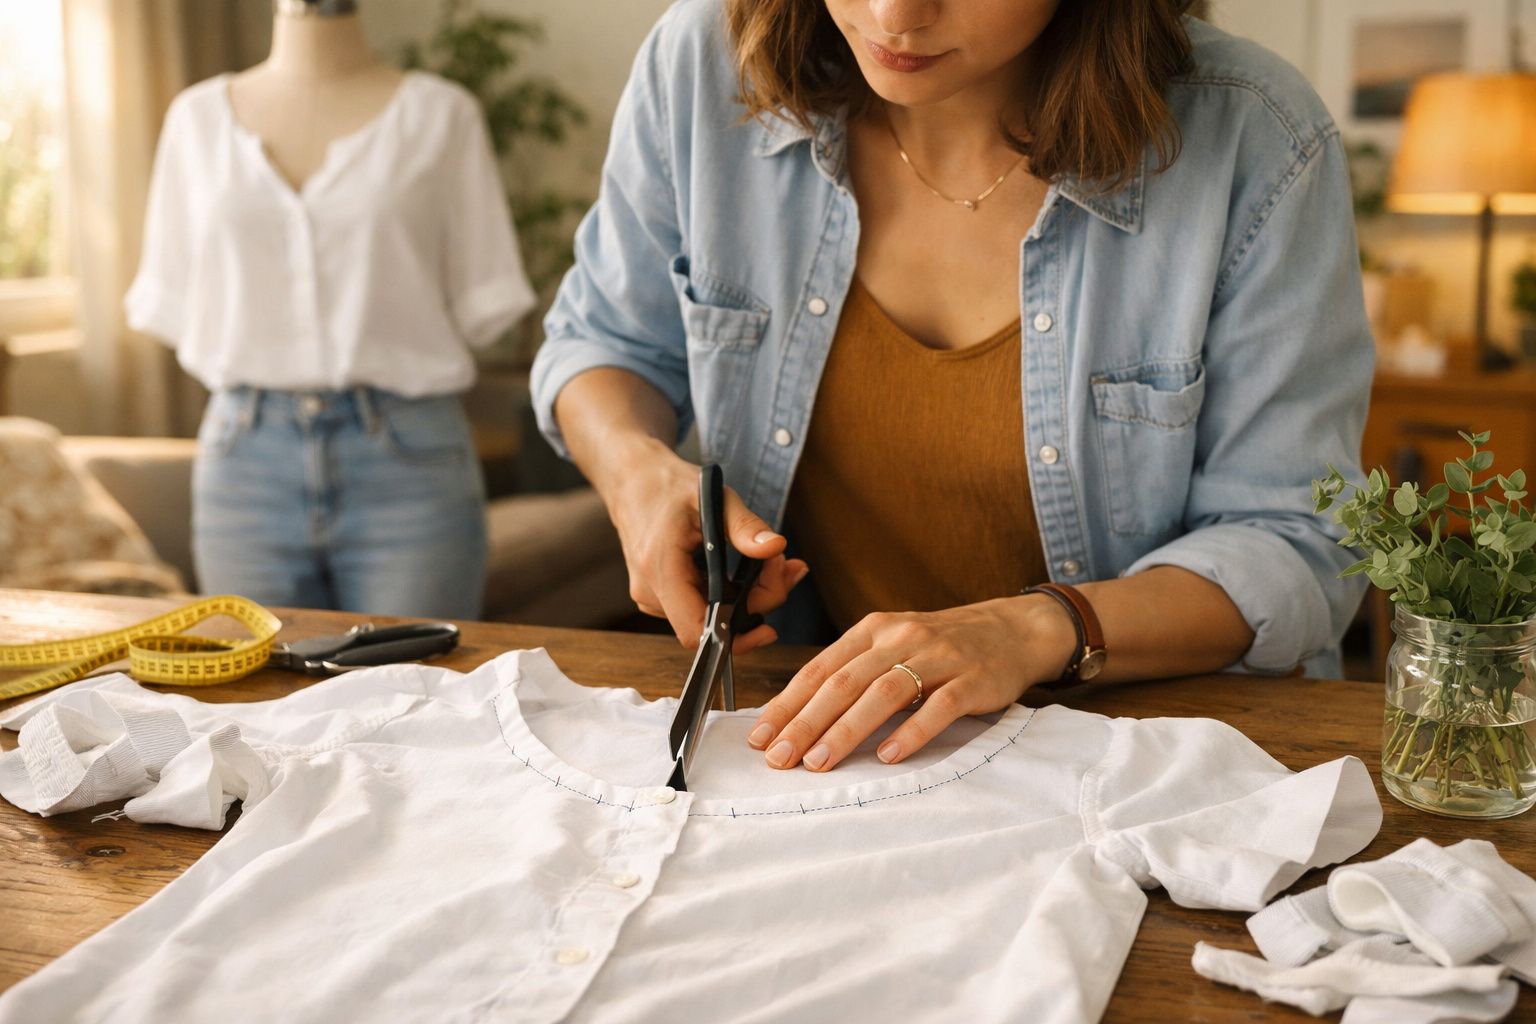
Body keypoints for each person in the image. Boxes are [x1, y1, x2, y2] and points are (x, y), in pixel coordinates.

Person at [532, 0, 1370, 774]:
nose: (894, 15)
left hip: (1152, 756)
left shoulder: (1255, 135)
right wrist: (634, 470)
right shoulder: (707, 61)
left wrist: (1036, 626)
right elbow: (602, 342)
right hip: (827, 746)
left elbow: (1295, 544)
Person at [127, 0, 534, 619]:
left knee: (421, 698)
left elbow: (486, 299)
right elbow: (173, 299)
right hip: (245, 465)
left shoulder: (442, 117)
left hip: (409, 461)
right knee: (257, 705)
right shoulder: (196, 121)